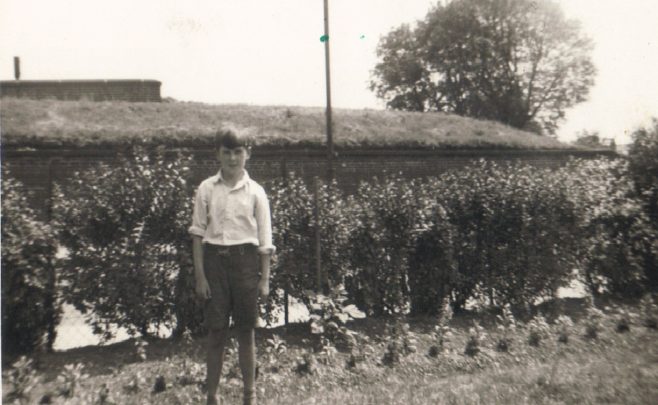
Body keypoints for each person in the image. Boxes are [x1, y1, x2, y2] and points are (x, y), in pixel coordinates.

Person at [189, 128, 275, 405]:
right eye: (226, 152)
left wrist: (264, 279)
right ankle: (212, 396)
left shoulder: (256, 192)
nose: (232, 158)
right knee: (216, 331)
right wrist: (201, 276)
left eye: (238, 152)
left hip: (246, 264)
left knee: (246, 331)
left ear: (247, 154)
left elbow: (265, 238)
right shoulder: (206, 188)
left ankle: (249, 394)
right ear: (217, 154)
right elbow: (197, 234)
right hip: (215, 264)